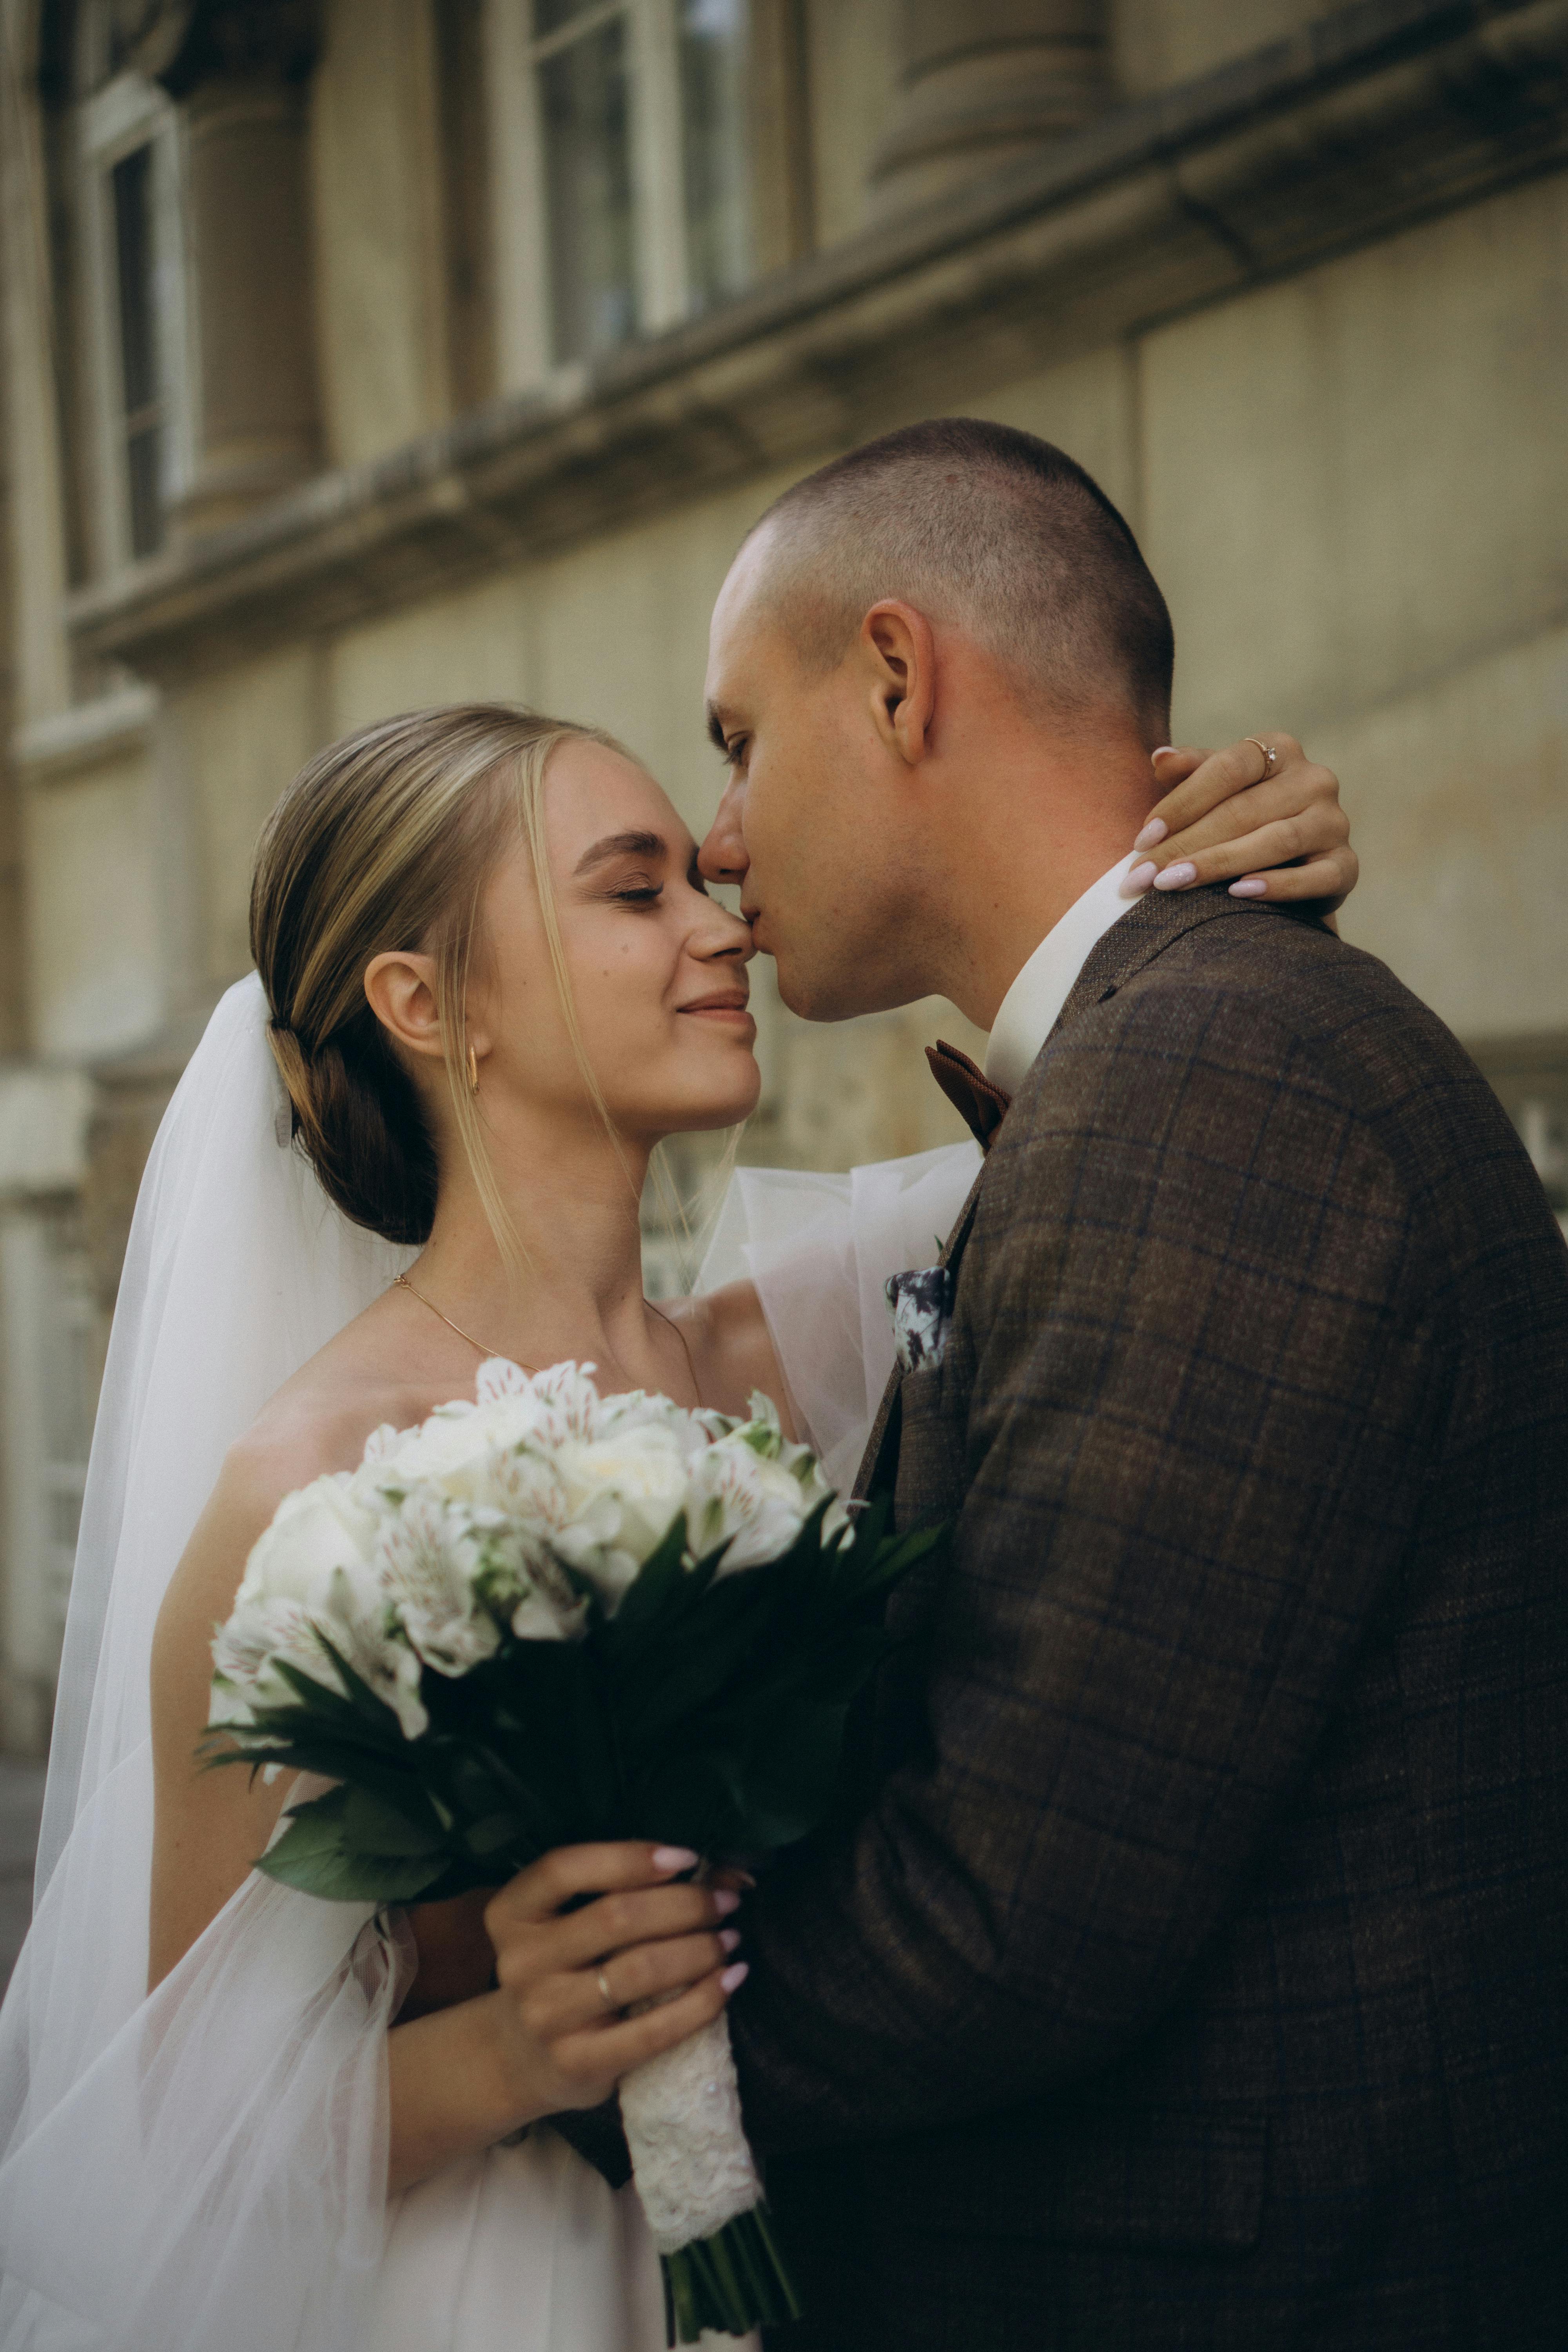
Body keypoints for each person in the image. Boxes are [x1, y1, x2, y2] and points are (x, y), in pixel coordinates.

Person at [0, 655, 1351, 2350]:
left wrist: (1223, 875)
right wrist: (513, 2049)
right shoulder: (309, 1482)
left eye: (699, 883)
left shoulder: (828, 1325)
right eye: (631, 893)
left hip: (861, 2249)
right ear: (428, 1007)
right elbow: (167, 2137)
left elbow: (1156, 1108)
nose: (720, 932)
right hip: (496, 2286)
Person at [685, 419, 1568, 2348]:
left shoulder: (1209, 1080)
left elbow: (1015, 1915)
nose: (716, 838)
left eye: (736, 739)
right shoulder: (1175, 1055)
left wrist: (584, 2100)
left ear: (900, 677)